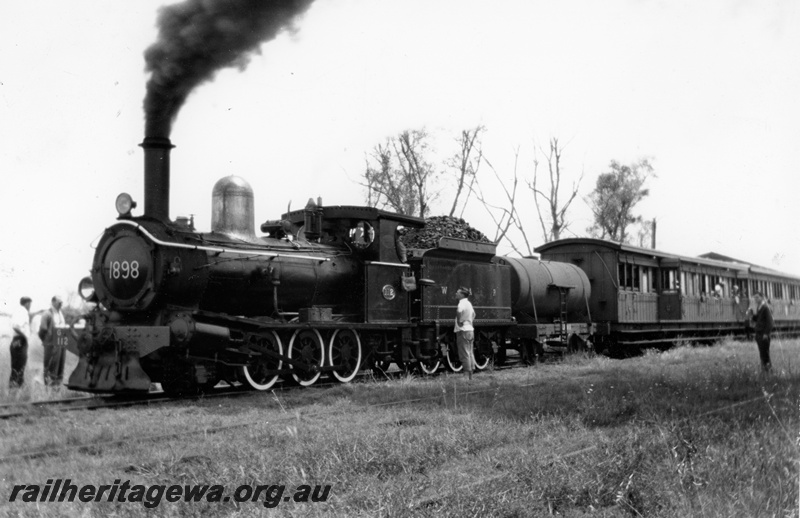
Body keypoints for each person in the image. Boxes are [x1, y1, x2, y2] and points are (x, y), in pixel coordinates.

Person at [39, 295, 67, 387]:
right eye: (59, 302)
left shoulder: (60, 313)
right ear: (53, 302)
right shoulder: (47, 313)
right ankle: (49, 388)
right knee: (50, 366)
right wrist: (47, 341)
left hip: (61, 343)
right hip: (51, 343)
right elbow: (42, 329)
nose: (61, 304)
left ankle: (57, 388)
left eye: (62, 303)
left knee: (60, 366)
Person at [453, 287, 476, 380]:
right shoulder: (469, 303)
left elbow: (459, 311)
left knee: (464, 353)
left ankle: (466, 376)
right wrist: (469, 322)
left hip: (463, 330)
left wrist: (459, 321)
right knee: (470, 353)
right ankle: (471, 376)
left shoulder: (461, 303)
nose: (456, 293)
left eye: (458, 292)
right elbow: (474, 314)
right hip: (470, 329)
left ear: (462, 295)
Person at [9, 297, 32, 388]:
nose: (30, 306)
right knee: (19, 365)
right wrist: (25, 336)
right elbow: (16, 326)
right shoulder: (22, 312)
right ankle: (14, 386)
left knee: (18, 365)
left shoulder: (19, 311)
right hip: (20, 340)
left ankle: (17, 387)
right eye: (30, 304)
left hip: (18, 340)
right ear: (27, 303)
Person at [748, 291, 774, 372]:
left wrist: (766, 334)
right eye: (754, 297)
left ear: (762, 298)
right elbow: (759, 319)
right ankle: (765, 370)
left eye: (757, 297)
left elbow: (770, 322)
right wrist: (752, 315)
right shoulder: (759, 307)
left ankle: (768, 371)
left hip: (763, 334)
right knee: (762, 353)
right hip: (759, 334)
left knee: (765, 354)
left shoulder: (766, 307)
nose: (755, 299)